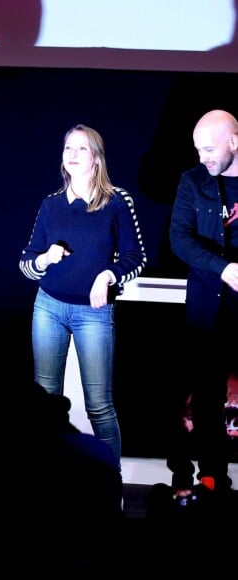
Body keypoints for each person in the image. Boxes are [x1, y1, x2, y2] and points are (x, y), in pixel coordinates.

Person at [18, 124, 147, 470]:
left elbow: (137, 258)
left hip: (94, 313)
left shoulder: (118, 202)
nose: (72, 155)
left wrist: (108, 275)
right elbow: (26, 263)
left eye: (82, 149)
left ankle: (111, 482)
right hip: (48, 308)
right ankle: (41, 478)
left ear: (96, 159)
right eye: (67, 148)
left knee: (99, 405)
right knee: (43, 402)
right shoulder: (51, 205)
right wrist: (44, 259)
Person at [167, 109, 238, 501]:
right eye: (197, 150)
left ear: (234, 142)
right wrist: (223, 267)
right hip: (209, 307)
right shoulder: (193, 182)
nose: (203, 158)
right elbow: (179, 238)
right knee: (207, 396)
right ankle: (211, 479)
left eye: (209, 149)